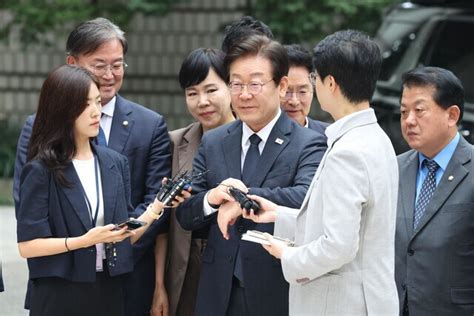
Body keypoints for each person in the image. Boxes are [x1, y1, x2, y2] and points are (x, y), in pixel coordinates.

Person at [12, 18, 172, 314]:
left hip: (117, 284)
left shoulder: (118, 157)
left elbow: (125, 225)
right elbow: (29, 225)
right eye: (99, 66)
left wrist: (156, 208)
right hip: (59, 284)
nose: (110, 76)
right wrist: (84, 242)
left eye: (118, 65)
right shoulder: (41, 157)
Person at [244, 30, 400, 315]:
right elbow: (355, 225)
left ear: (331, 83)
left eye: (314, 79)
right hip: (367, 298)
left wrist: (289, 255)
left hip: (342, 303)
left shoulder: (348, 151)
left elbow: (339, 245)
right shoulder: (376, 138)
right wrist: (280, 215)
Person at [176, 35, 327, 316]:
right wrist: (212, 197)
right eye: (236, 84)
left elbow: (306, 197)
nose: (244, 94)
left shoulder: (308, 142)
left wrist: (241, 199)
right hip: (218, 290)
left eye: (255, 84)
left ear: (281, 86)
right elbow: (186, 214)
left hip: (276, 288)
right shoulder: (215, 141)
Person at [151, 48, 235, 316]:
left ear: (231, 86)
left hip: (234, 269)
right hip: (186, 269)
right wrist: (159, 285)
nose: (202, 101)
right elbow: (160, 224)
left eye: (211, 90)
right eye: (192, 93)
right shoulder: (174, 142)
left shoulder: (251, 139)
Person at [395, 66, 473, 315]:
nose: (409, 121)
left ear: (452, 115)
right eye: (404, 112)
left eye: (419, 111)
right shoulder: (394, 168)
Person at [282, 44, 328, 136]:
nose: (294, 101)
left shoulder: (329, 136)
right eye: (286, 92)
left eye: (302, 92)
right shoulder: (257, 139)